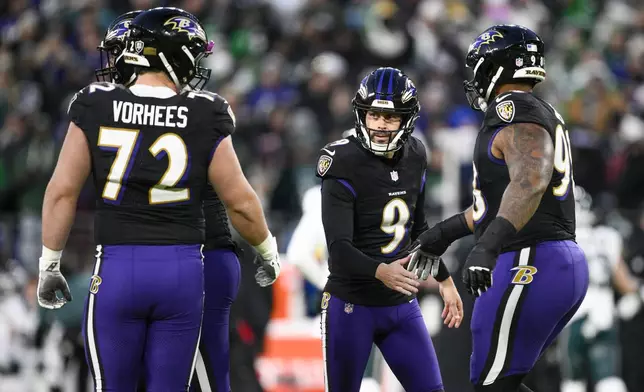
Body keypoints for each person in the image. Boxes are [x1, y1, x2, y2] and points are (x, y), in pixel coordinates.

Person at [36, 7, 280, 391]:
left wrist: (50, 264)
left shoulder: (95, 103)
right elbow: (241, 201)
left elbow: (62, 191)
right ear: (174, 55)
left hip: (117, 267)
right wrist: (266, 249)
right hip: (182, 270)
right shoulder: (205, 111)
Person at [408, 25, 589, 392]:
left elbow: (530, 180)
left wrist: (488, 246)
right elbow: (494, 206)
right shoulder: (536, 110)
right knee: (498, 383)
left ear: (498, 68)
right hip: (549, 258)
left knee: (492, 385)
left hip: (530, 258)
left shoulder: (514, 108)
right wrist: (441, 234)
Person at [97, 10, 251, 392]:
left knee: (203, 376)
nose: (114, 65)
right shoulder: (194, 108)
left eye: (119, 54)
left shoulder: (184, 109)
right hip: (178, 258)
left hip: (196, 252)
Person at [316, 66, 463, 392]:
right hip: (350, 304)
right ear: (362, 114)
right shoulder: (342, 160)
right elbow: (339, 251)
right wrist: (381, 271)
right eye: (374, 115)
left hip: (399, 304)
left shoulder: (416, 155)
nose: (380, 124)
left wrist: (444, 278)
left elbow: (420, 231)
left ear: (407, 118)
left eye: (390, 117)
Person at [560, 186, 640, 392]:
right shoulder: (607, 236)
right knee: (609, 377)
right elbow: (622, 280)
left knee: (573, 381)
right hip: (603, 311)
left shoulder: (558, 240)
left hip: (573, 313)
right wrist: (637, 293)